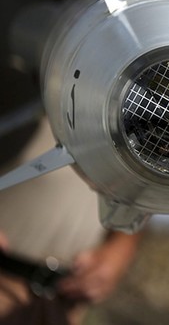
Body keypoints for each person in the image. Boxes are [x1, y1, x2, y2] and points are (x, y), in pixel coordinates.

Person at [0, 115, 142, 325]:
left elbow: (140, 208)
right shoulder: (28, 96)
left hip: (66, 305)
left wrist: (119, 251)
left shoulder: (136, 132)